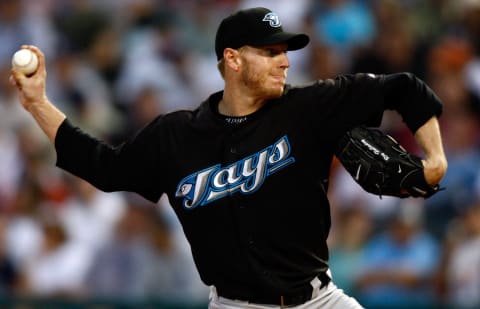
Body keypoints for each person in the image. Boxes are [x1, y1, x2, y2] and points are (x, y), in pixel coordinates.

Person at [9, 6, 448, 309]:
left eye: (286, 52)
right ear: (233, 60)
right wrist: (37, 104)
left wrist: (434, 161)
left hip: (317, 299)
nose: (285, 62)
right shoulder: (176, 135)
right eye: (271, 52)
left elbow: (405, 87)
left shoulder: (311, 105)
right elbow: (103, 169)